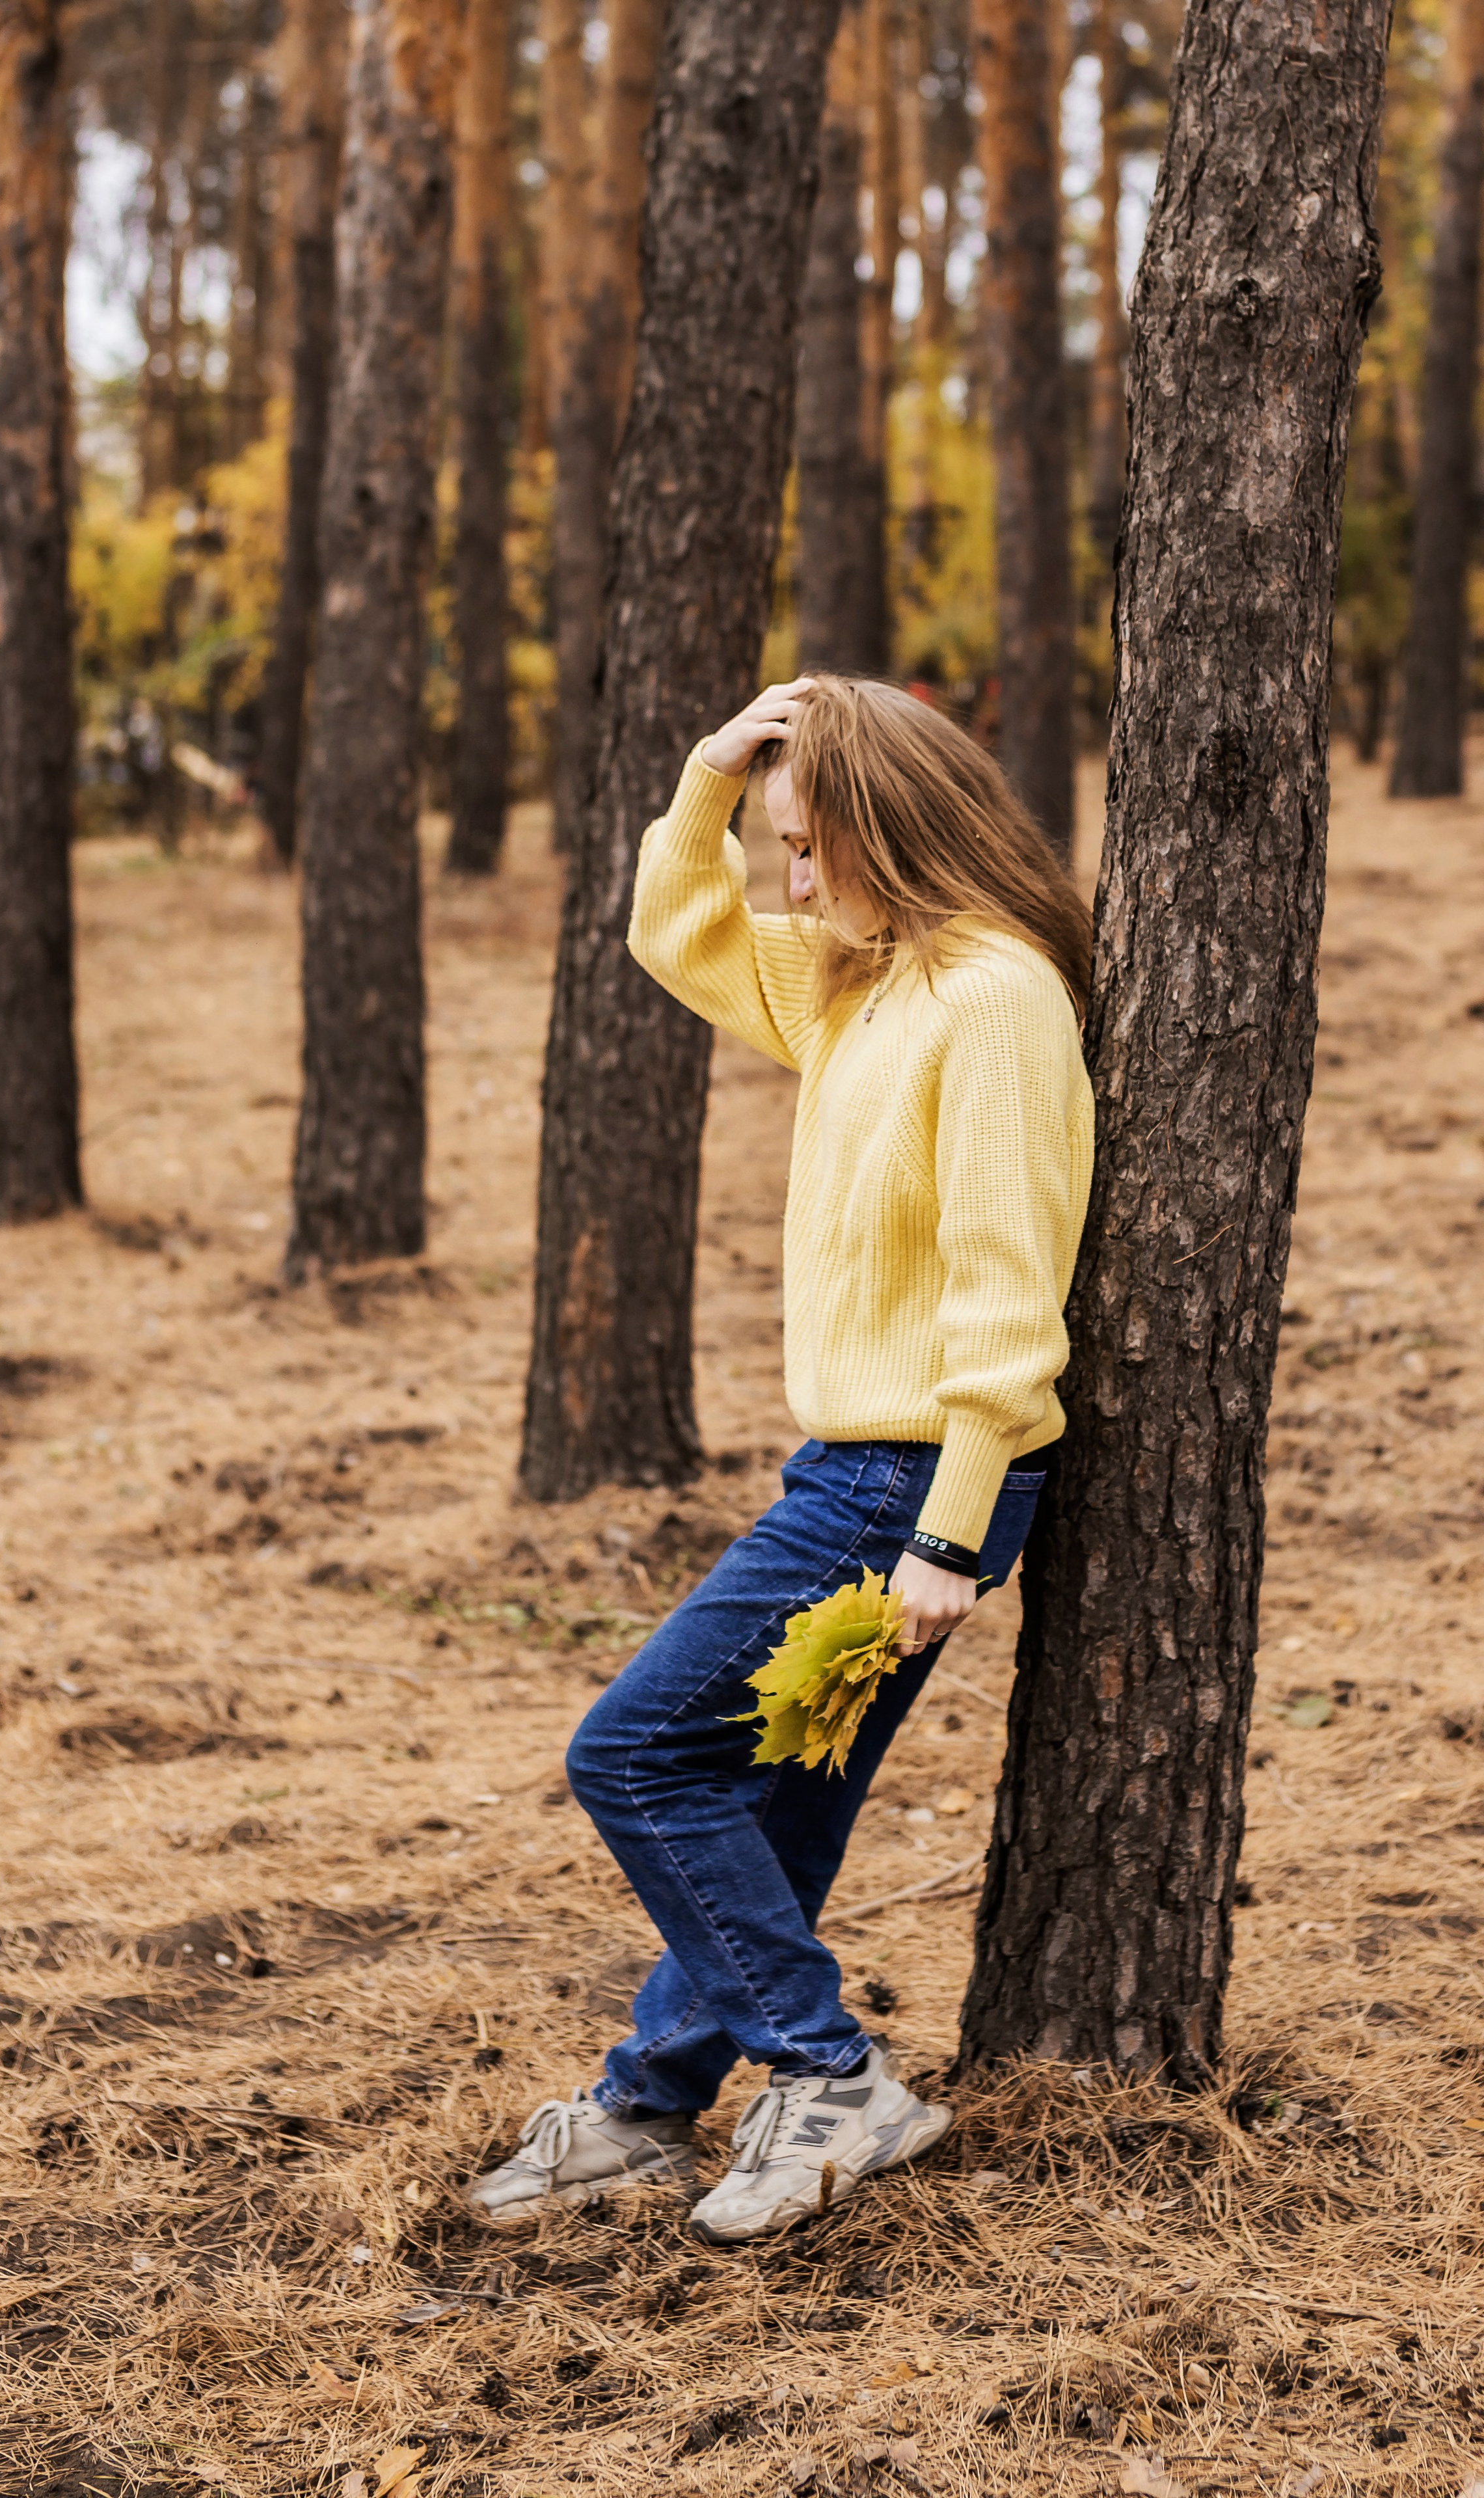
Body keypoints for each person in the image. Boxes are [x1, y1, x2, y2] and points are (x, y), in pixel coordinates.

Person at [471, 674, 1095, 2245]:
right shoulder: (853, 983)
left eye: (808, 848)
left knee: (631, 1757)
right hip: (860, 1465)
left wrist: (948, 1539)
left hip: (906, 1480)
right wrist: (705, 779)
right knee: (781, 1808)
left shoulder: (994, 999)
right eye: (779, 850)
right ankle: (642, 2106)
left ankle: (829, 2082)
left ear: (894, 827)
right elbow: (670, 933)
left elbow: (1007, 1297)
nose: (791, 884)